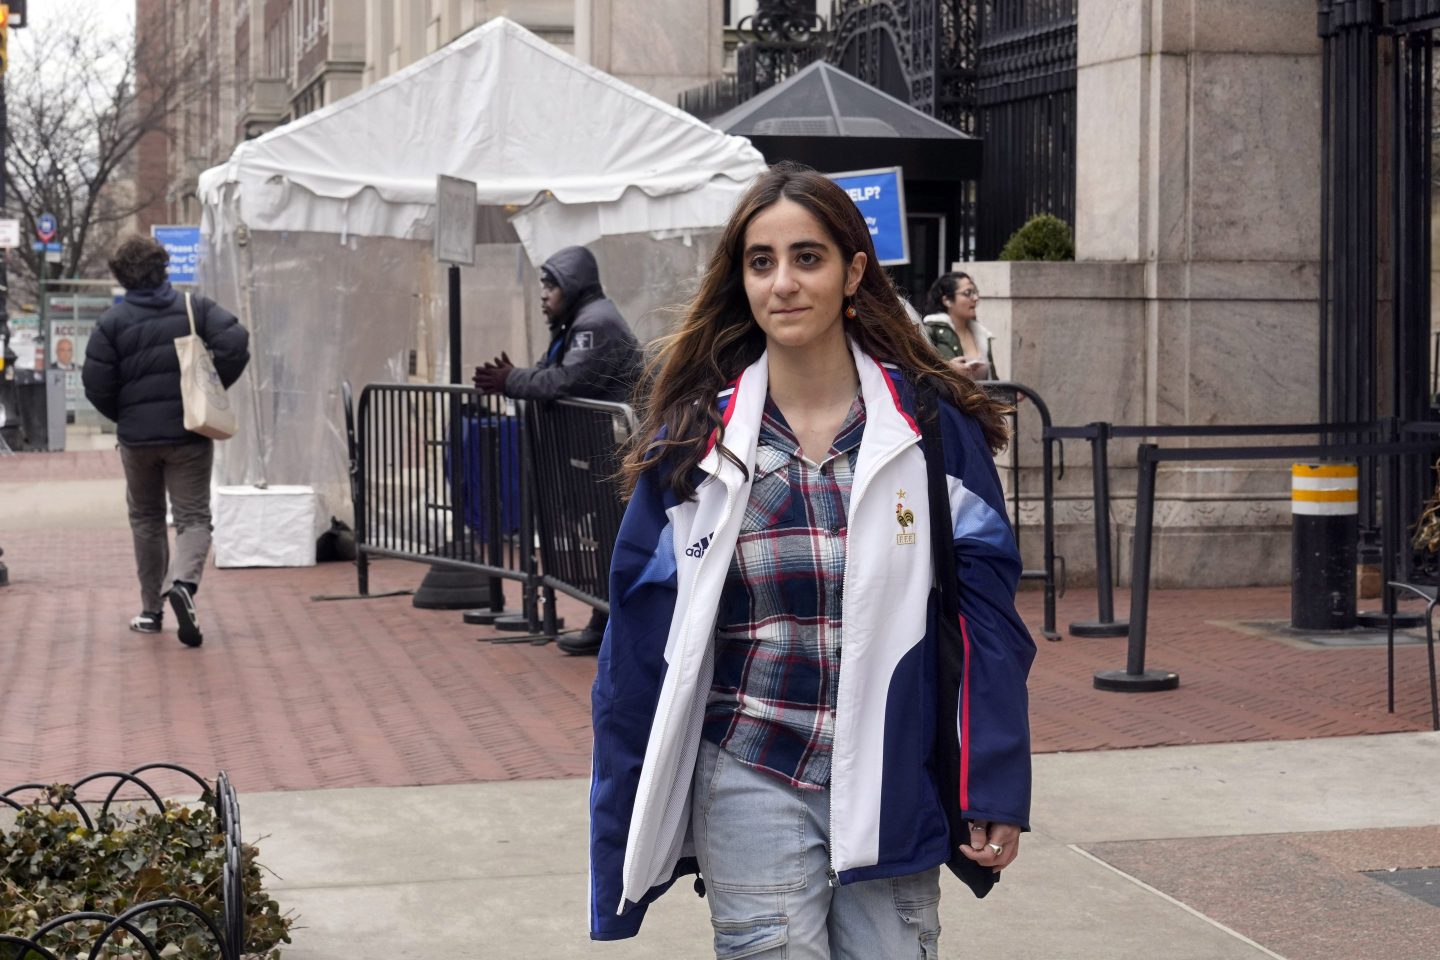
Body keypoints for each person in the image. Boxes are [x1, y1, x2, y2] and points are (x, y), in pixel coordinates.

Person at [587, 162, 1035, 955]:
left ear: (853, 271)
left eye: (808, 257)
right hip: (750, 770)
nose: (783, 283)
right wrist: (622, 813)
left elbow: (987, 621)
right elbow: (635, 649)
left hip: (896, 779)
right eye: (762, 262)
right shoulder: (695, 443)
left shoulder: (932, 432)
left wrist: (992, 776)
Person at [473, 244, 641, 655]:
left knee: (613, 541)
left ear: (573, 284)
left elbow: (568, 381)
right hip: (600, 454)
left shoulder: (595, 323)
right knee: (606, 542)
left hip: (612, 455)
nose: (544, 295)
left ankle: (612, 627)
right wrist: (520, 376)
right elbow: (554, 373)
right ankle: (606, 624)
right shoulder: (580, 322)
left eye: (551, 285)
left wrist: (513, 380)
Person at [82, 236, 249, 647]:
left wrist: (126, 415)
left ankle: (150, 611)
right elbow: (236, 342)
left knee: (146, 519)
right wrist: (210, 387)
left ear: (122, 277)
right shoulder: (194, 308)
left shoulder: (112, 324)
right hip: (188, 433)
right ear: (164, 267)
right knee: (193, 517)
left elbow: (95, 384)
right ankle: (184, 586)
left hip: (137, 440)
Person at [922, 271, 999, 381]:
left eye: (975, 292)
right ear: (947, 301)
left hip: (981, 398)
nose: (975, 298)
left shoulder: (982, 335)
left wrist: (1011, 392)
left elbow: (994, 381)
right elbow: (920, 371)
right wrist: (948, 368)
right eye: (968, 293)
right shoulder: (931, 331)